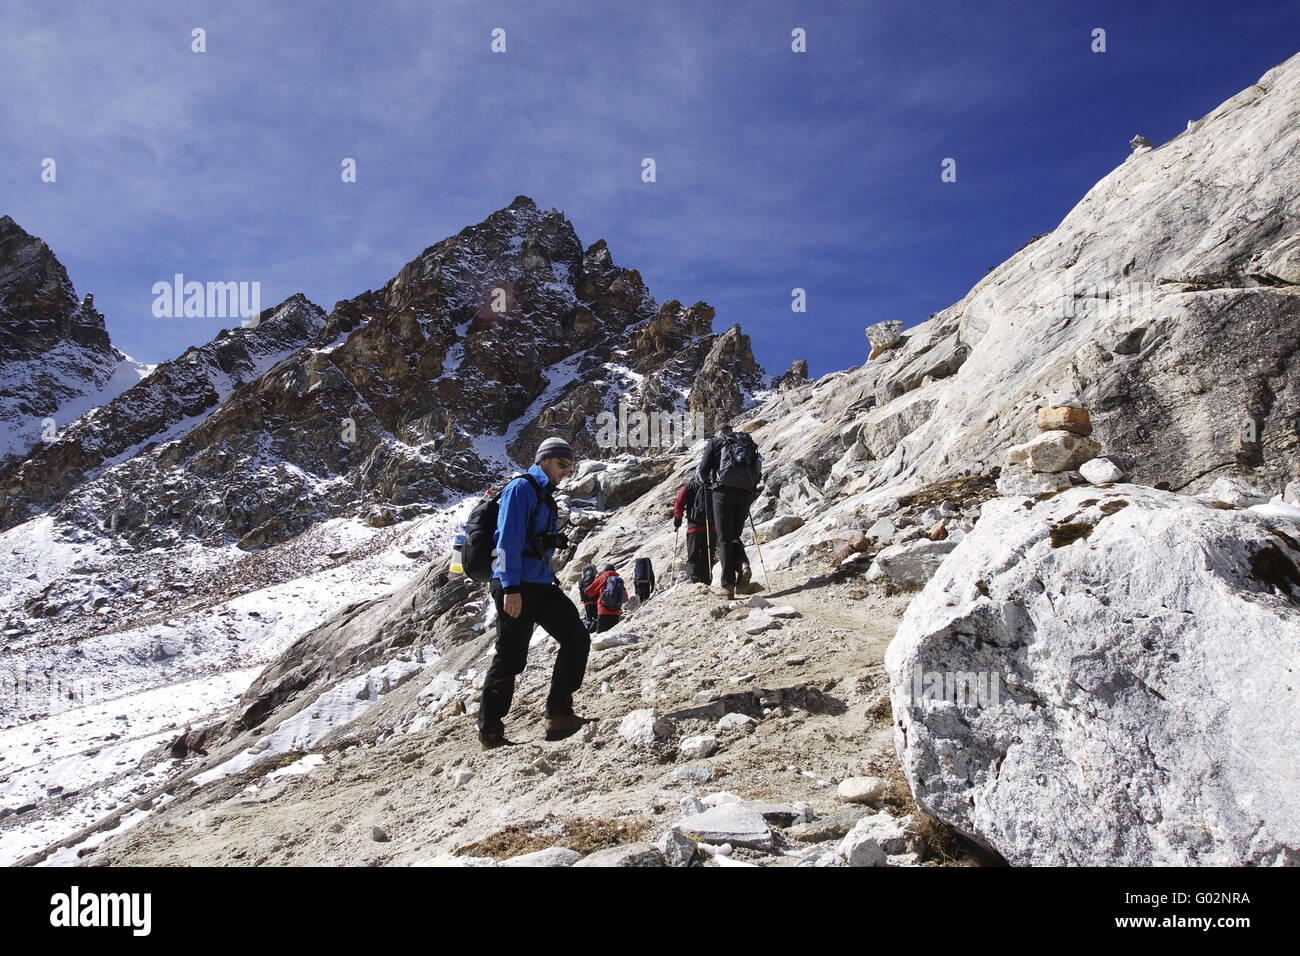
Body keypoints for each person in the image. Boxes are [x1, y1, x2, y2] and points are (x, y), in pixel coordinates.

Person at [478, 437, 591, 750]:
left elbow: (529, 539)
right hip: (516, 586)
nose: (567, 471)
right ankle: (490, 731)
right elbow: (506, 541)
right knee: (511, 658)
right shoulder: (522, 488)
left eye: (570, 465)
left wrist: (552, 540)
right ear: (545, 460)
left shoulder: (543, 494)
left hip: (539, 583)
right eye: (562, 464)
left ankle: (558, 715)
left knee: (576, 638)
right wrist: (511, 588)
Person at [697, 423, 761, 600]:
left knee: (724, 538)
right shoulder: (746, 443)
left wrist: (707, 483)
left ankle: (728, 586)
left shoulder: (715, 443)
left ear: (718, 433)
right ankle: (743, 565)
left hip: (723, 492)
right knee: (734, 535)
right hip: (746, 493)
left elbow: (703, 471)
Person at [673, 478, 717, 584]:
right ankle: (706, 582)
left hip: (694, 528)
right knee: (708, 558)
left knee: (693, 557)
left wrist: (677, 521)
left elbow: (679, 505)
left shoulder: (689, 486)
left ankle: (694, 581)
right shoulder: (714, 486)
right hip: (711, 528)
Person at [585, 564, 626, 632]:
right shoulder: (619, 580)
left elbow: (589, 592)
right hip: (616, 612)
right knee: (612, 636)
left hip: (603, 611)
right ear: (614, 571)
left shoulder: (602, 578)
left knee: (600, 636)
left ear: (605, 571)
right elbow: (625, 598)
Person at [577, 563, 599, 632]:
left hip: (586, 601)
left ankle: (589, 628)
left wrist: (582, 599)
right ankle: (595, 628)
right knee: (595, 615)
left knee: (588, 616)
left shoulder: (581, 581)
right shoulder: (594, 579)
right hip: (595, 600)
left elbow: (580, 590)